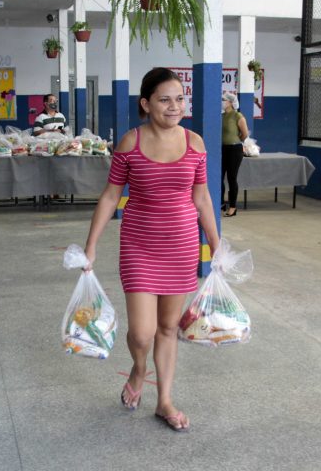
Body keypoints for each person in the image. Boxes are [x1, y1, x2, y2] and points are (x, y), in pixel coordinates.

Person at [84, 68, 220, 432]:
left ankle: (165, 400)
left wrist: (216, 246)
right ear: (146, 104)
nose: (174, 106)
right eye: (164, 100)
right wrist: (90, 246)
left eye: (179, 99)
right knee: (142, 333)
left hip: (182, 247)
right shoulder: (130, 143)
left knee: (168, 327)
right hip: (139, 246)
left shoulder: (195, 144)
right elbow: (111, 196)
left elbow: (202, 198)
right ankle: (139, 368)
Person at [221, 92, 249, 217]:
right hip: (223, 149)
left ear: (230, 102)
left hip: (234, 149)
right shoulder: (222, 116)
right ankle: (221, 202)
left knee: (231, 178)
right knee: (219, 177)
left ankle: (232, 207)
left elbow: (245, 134)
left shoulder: (237, 115)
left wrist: (237, 140)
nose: (222, 102)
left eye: (224, 100)